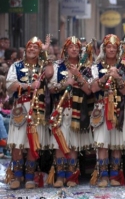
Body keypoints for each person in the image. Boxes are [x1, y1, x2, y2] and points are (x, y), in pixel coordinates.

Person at [5, 36, 53, 190]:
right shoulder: (16, 66)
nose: (32, 49)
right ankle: (17, 177)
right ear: (25, 50)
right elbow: (10, 85)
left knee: (33, 144)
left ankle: (30, 177)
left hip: (38, 110)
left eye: (36, 47)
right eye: (29, 47)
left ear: (39, 51)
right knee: (18, 144)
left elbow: (51, 73)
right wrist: (27, 86)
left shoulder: (43, 67)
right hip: (20, 108)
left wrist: (45, 53)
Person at [47, 36, 94, 187]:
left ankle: (72, 176)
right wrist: (65, 84)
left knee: (73, 144)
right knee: (60, 144)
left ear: (80, 50)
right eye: (70, 47)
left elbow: (89, 90)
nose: (74, 49)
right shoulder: (58, 66)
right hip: (60, 109)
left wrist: (78, 76)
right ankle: (60, 177)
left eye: (76, 47)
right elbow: (50, 88)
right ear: (65, 49)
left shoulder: (85, 67)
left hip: (77, 110)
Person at [90, 34, 125, 187]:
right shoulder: (96, 66)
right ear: (104, 48)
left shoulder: (124, 67)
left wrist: (118, 77)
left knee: (116, 145)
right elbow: (93, 88)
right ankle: (103, 176)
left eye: (114, 47)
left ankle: (115, 175)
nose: (112, 49)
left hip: (118, 109)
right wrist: (106, 75)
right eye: (109, 46)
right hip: (101, 109)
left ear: (118, 49)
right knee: (102, 144)